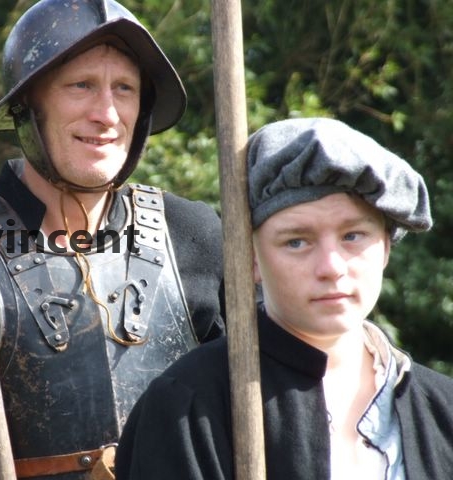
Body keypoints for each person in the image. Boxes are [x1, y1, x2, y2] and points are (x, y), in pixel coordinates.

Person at [0, 1, 225, 479]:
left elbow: (252, 410)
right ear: (28, 105)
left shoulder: (194, 234)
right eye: (81, 85)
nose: (106, 113)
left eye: (124, 88)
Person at [115, 117, 453, 480]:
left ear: (385, 246)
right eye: (297, 241)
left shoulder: (443, 409)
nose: (331, 267)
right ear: (251, 260)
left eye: (353, 236)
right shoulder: (186, 408)